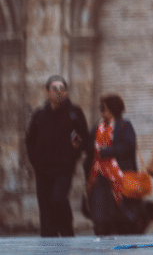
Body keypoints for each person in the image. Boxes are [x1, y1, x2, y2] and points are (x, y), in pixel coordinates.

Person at [82, 93, 153, 235]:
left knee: (121, 219)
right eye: (101, 108)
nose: (101, 111)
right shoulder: (97, 127)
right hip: (100, 179)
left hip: (120, 177)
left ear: (113, 109)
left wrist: (106, 152)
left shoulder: (125, 125)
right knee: (100, 220)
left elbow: (128, 147)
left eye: (103, 108)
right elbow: (89, 147)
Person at [24, 74, 90, 237]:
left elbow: (84, 138)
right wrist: (35, 162)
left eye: (63, 89)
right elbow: (29, 140)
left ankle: (67, 232)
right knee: (45, 209)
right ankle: (49, 239)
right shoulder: (39, 115)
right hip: (43, 169)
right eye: (55, 89)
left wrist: (75, 149)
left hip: (63, 168)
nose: (59, 92)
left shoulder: (74, 113)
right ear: (47, 93)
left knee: (58, 199)